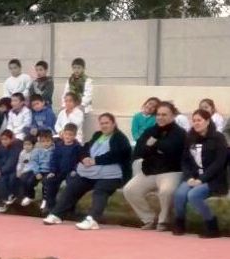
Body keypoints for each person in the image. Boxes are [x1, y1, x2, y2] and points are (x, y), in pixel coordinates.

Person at [44, 113, 132, 230]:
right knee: (73, 186)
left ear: (113, 124)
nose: (104, 126)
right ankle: (57, 214)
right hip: (91, 171)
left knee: (100, 191)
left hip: (112, 175)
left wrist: (95, 160)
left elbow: (117, 155)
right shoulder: (97, 135)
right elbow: (85, 148)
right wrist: (84, 158)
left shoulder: (120, 138)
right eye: (102, 123)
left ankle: (92, 219)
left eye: (107, 123)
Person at [123, 102, 185, 231]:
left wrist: (152, 145)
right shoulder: (150, 130)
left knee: (166, 191)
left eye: (164, 114)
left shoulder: (179, 133)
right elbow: (139, 151)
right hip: (150, 171)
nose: (160, 117)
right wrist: (156, 147)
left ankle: (164, 221)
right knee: (130, 189)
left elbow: (172, 150)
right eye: (158, 114)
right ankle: (148, 218)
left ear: (172, 116)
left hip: (171, 171)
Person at [173, 109, 228, 238]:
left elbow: (219, 163)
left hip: (214, 179)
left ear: (207, 121)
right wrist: (190, 177)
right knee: (180, 194)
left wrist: (202, 179)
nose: (196, 123)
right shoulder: (190, 137)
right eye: (194, 120)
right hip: (194, 177)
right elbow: (185, 160)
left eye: (199, 120)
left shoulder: (218, 138)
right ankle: (180, 222)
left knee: (193, 195)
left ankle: (211, 225)